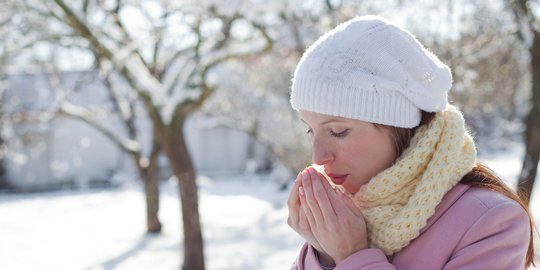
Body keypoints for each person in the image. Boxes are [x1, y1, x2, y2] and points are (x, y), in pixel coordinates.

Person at [287, 15, 536, 270]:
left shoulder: (491, 223)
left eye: (338, 131)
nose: (318, 157)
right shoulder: (345, 216)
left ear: (398, 126)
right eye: (310, 131)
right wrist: (323, 255)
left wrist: (352, 256)